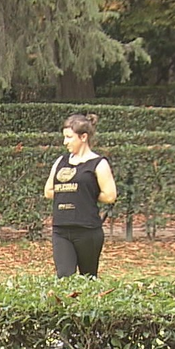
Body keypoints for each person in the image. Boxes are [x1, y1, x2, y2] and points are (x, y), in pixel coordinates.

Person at [44, 113, 117, 278]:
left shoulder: (99, 163)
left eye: (69, 137)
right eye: (64, 137)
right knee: (64, 277)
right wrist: (70, 190)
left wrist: (84, 193)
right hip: (61, 229)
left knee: (88, 278)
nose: (65, 142)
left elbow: (110, 195)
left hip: (87, 230)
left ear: (83, 137)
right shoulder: (60, 161)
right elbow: (48, 191)